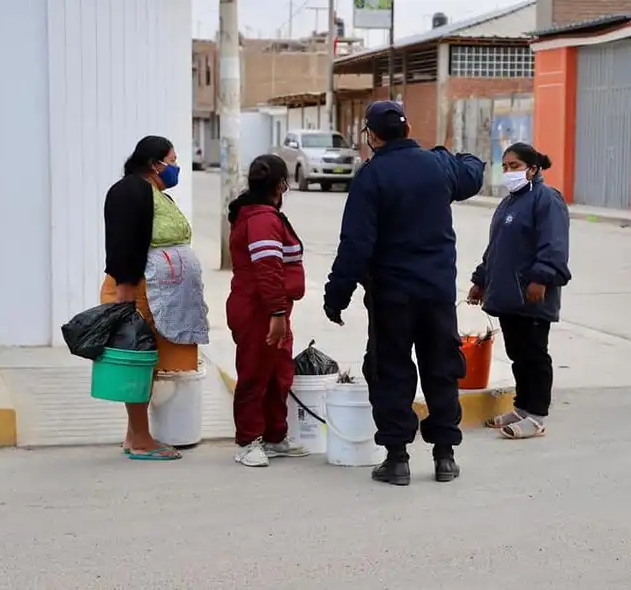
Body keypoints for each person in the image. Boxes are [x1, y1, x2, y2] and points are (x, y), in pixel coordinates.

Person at [323, 101, 486, 486]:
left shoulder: (371, 176)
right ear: (408, 127)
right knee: (441, 368)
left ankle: (397, 459)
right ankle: (445, 456)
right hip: (437, 293)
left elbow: (355, 244)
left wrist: (337, 294)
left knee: (390, 370)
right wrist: (447, 153)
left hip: (392, 295)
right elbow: (473, 171)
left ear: (372, 136)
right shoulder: (438, 165)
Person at [101, 135, 210, 461]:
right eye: (172, 160)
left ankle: (134, 435)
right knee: (139, 365)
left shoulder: (154, 193)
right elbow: (123, 245)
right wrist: (126, 296)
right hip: (137, 292)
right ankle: (141, 440)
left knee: (149, 364)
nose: (176, 167)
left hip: (157, 293)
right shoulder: (130, 191)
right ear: (154, 163)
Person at [468, 142, 571, 440]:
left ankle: (536, 415)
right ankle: (522, 407)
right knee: (518, 354)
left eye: (514, 166)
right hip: (508, 296)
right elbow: (496, 248)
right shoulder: (510, 203)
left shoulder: (546, 199)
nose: (509, 172)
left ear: (533, 168)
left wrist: (542, 278)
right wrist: (481, 280)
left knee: (534, 354)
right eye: (505, 167)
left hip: (533, 294)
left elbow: (554, 244)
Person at [226, 154, 309, 467]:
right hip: (258, 309)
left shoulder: (262, 214)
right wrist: (275, 313)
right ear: (280, 185)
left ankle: (275, 436)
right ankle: (248, 440)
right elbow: (267, 269)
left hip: (273, 308)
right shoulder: (262, 219)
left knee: (278, 373)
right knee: (254, 373)